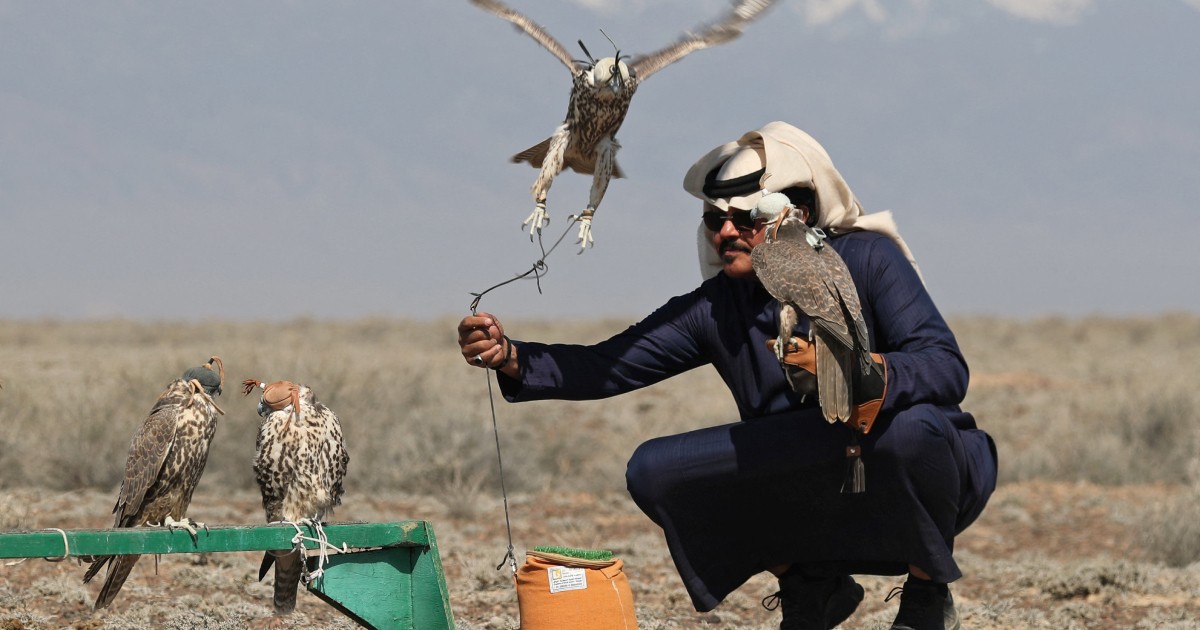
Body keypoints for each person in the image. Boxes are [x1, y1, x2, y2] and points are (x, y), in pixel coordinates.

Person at [457, 121, 997, 630]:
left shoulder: (868, 261)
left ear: (798, 215)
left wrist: (856, 374)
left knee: (914, 431)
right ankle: (811, 586)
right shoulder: (717, 308)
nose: (727, 233)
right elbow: (607, 367)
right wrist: (510, 356)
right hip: (806, 484)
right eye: (716, 221)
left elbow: (945, 367)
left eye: (747, 220)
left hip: (910, 467)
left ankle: (927, 593)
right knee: (656, 470)